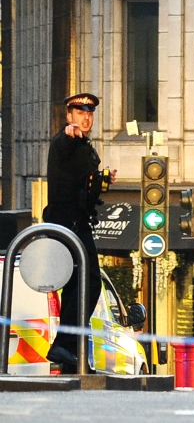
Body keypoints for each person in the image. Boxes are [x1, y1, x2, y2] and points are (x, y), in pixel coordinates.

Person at [43, 93, 115, 373]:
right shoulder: (68, 140)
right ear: (69, 116)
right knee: (89, 282)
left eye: (90, 113)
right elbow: (64, 142)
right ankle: (65, 344)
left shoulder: (85, 145)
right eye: (80, 112)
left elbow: (86, 187)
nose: (86, 117)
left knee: (80, 286)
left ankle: (74, 355)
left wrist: (103, 179)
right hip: (68, 224)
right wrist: (69, 133)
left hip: (77, 221)